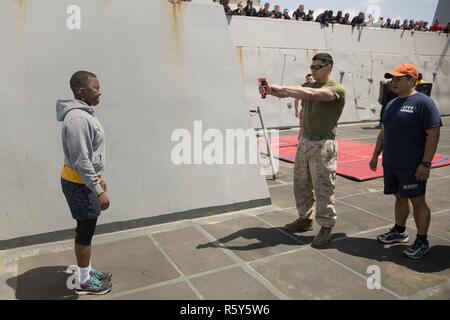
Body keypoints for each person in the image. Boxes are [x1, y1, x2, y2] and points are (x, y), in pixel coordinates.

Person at [259, 53, 346, 247]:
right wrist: (271, 89)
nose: (313, 70)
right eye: (312, 67)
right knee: (301, 183)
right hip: (306, 141)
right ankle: (304, 219)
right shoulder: (309, 85)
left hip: (324, 144)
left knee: (323, 186)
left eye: (318, 67)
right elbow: (288, 93)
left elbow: (312, 95)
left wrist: (282, 89)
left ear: (329, 67)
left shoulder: (335, 88)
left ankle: (325, 226)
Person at [369, 64, 442, 259]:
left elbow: (433, 135)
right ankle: (399, 231)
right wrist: (376, 155)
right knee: (400, 197)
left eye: (399, 79)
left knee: (417, 200)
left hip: (412, 164)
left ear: (412, 80)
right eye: (392, 79)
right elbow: (384, 132)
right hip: (392, 163)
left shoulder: (423, 103)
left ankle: (422, 240)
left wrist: (425, 163)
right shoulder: (392, 103)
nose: (393, 82)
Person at [57, 71, 113, 295]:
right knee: (85, 232)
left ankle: (87, 272)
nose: (100, 91)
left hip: (85, 182)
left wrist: (99, 179)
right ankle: (83, 282)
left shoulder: (85, 113)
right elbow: (81, 162)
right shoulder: (78, 119)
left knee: (87, 229)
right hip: (80, 185)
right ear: (81, 91)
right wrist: (98, 190)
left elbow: (91, 156)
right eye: (95, 88)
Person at [294, 74, 314, 139]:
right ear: (306, 80)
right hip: (305, 108)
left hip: (314, 109)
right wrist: (296, 110)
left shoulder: (316, 88)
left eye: (311, 79)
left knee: (312, 126)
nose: (309, 81)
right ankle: (300, 141)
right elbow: (296, 99)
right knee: (302, 126)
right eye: (308, 79)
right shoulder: (303, 88)